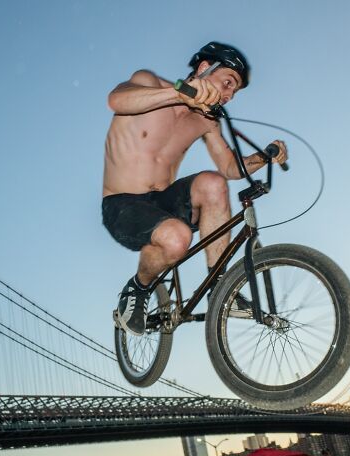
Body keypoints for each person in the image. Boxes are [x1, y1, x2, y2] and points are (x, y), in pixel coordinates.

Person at [102, 41, 288, 336]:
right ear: (205, 68)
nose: (227, 96)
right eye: (227, 83)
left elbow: (229, 167)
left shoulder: (207, 121)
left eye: (233, 92)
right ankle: (137, 290)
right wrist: (177, 93)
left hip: (164, 202)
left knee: (214, 183)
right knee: (177, 239)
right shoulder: (149, 83)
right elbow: (117, 100)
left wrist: (263, 157)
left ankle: (220, 287)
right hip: (122, 204)